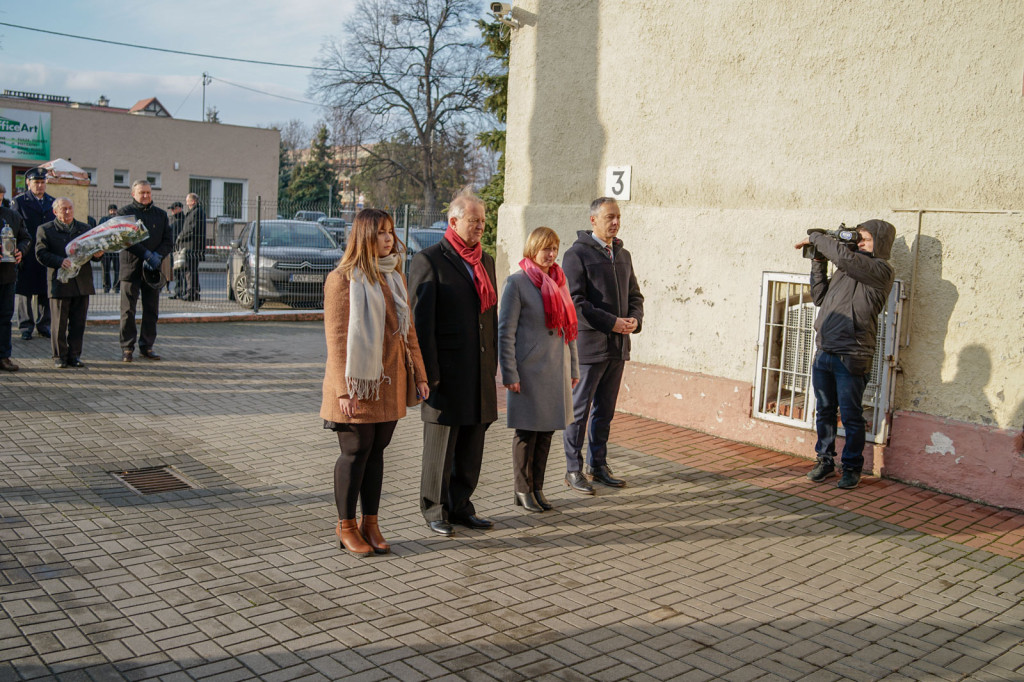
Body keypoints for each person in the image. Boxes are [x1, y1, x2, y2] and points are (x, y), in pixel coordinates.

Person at [321, 208, 428, 556]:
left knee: (377, 453)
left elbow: (409, 331)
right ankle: (345, 526)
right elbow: (336, 340)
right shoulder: (342, 279)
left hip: (390, 380)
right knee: (354, 452)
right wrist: (343, 390)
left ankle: (371, 522)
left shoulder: (393, 275)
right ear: (364, 236)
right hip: (357, 384)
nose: (389, 238)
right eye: (381, 232)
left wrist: (421, 376)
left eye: (391, 231)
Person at [409, 192, 498, 536]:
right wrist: (427, 375)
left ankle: (461, 506)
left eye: (483, 220)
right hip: (444, 375)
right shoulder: (429, 260)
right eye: (473, 220)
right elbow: (420, 325)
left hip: (478, 373)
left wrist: (492, 365)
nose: (480, 226)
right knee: (441, 448)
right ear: (453, 222)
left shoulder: (484, 261)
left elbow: (490, 317)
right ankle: (433, 509)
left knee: (471, 446)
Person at [794, 220, 896, 490]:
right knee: (824, 411)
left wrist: (818, 237)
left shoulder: (880, 270)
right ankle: (824, 461)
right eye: (858, 239)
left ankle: (851, 468)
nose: (859, 244)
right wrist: (817, 260)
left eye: (866, 240)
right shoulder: (846, 268)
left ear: (881, 244)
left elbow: (842, 255)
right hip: (825, 351)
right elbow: (819, 297)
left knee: (851, 416)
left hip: (852, 355)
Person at [561, 197, 644, 494]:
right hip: (590, 346)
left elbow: (635, 296)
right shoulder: (576, 255)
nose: (615, 222)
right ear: (593, 220)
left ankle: (598, 465)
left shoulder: (623, 254)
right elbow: (575, 302)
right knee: (580, 410)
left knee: (604, 410)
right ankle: (573, 468)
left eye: (618, 216)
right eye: (609, 217)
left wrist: (634, 319)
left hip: (618, 346)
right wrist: (611, 322)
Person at [498, 227, 580, 512]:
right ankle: (522, 489)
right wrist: (509, 373)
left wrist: (573, 367)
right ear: (532, 249)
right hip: (529, 371)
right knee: (526, 433)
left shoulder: (559, 281)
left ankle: (538, 488)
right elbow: (505, 332)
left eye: (554, 248)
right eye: (545, 248)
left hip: (556, 369)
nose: (551, 254)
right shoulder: (517, 283)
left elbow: (569, 331)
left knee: (547, 432)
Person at [34, 198, 103, 369]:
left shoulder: (85, 229)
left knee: (78, 323)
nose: (67, 212)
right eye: (63, 209)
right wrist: (59, 261)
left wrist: (98, 254)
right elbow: (40, 253)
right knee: (59, 323)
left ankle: (75, 356)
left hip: (81, 283)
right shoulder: (46, 229)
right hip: (60, 282)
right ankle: (59, 356)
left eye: (70, 208)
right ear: (55, 212)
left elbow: (94, 251)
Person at [118, 180, 172, 362]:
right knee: (128, 312)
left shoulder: (161, 215)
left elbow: (168, 241)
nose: (146, 196)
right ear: (133, 194)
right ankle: (127, 348)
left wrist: (157, 255)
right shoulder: (124, 213)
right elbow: (126, 239)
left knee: (151, 310)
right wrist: (146, 254)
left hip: (152, 271)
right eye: (142, 193)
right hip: (130, 269)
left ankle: (147, 346)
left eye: (148, 192)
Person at [12, 167, 54, 341]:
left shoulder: (52, 201)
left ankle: (44, 325)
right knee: (24, 292)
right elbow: (15, 227)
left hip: (45, 251)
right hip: (27, 251)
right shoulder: (19, 202)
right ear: (28, 183)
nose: (40, 185)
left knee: (46, 290)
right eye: (36, 182)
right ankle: (26, 326)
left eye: (42, 182)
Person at [0, 187, 30, 372]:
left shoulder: (12, 216)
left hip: (7, 276)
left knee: (4, 318)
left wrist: (20, 251)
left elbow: (26, 238)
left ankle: (3, 356)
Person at [175, 194, 206, 302]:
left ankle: (191, 293)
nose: (187, 203)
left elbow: (192, 229)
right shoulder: (195, 212)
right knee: (192, 270)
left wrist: (181, 236)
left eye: (188, 201)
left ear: (193, 202)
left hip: (192, 246)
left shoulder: (196, 212)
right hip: (191, 245)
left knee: (190, 270)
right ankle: (195, 292)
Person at [98, 204, 120, 293]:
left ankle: (116, 287)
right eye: (111, 210)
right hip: (106, 248)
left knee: (117, 269)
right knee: (105, 269)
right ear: (108, 211)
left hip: (117, 249)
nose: (113, 212)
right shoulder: (103, 220)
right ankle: (106, 287)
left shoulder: (118, 220)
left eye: (114, 210)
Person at [167, 202, 185, 299]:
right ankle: (177, 291)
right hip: (172, 249)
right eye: (172, 209)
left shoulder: (183, 220)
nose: (172, 211)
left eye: (174, 209)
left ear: (179, 208)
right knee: (175, 272)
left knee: (181, 271)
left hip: (179, 249)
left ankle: (182, 291)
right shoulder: (172, 219)